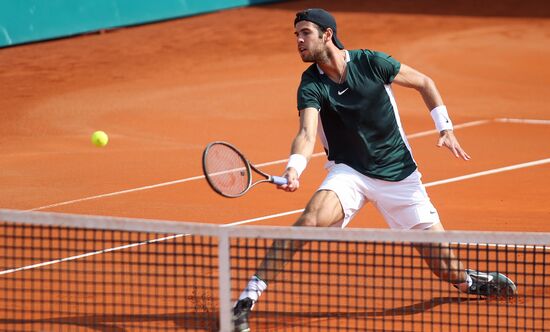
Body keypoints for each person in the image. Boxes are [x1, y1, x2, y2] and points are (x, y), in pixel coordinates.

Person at [232, 8, 517, 332]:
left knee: (448, 271)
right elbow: (307, 133)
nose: (298, 40)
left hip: (400, 178)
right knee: (308, 220)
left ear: (327, 34)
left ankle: (470, 282)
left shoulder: (371, 63)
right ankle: (245, 301)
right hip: (349, 173)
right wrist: (295, 167)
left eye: (305, 33)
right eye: (296, 34)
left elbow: (425, 82)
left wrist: (445, 128)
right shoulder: (311, 83)